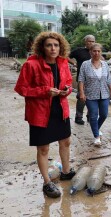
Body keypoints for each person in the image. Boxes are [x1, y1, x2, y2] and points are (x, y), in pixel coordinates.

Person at [14, 32, 76, 198]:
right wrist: (44, 91)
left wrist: (66, 90)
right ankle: (47, 182)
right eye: (49, 45)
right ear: (42, 47)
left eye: (56, 45)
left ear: (60, 46)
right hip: (40, 112)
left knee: (66, 141)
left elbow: (69, 83)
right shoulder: (31, 64)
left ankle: (66, 171)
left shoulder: (63, 63)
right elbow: (21, 88)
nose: (53, 48)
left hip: (60, 109)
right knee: (43, 148)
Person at [78, 43, 111, 145]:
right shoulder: (85, 64)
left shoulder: (105, 64)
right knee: (93, 115)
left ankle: (96, 128)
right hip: (90, 95)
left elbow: (109, 79)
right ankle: (96, 136)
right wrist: (81, 93)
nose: (96, 53)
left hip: (104, 94)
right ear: (90, 52)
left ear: (101, 52)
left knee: (104, 114)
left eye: (98, 51)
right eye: (94, 51)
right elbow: (81, 80)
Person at [68, 35, 95, 125]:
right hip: (82, 79)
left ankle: (90, 116)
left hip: (94, 79)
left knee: (92, 98)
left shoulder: (95, 51)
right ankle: (78, 117)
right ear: (85, 42)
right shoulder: (79, 51)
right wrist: (74, 63)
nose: (91, 43)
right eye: (89, 41)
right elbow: (66, 56)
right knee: (81, 98)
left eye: (93, 41)